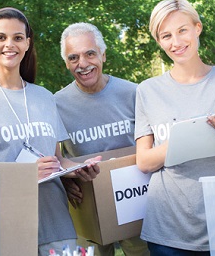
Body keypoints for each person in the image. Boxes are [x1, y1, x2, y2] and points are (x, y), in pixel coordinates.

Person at [0, 7, 101, 255]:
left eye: (17, 38)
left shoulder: (44, 97)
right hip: (6, 228)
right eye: (1, 37)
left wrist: (80, 169)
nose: (9, 44)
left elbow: (57, 159)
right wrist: (24, 174)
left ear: (27, 43)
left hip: (56, 224)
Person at [135, 0, 215, 254]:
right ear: (159, 41)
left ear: (197, 28)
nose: (176, 42)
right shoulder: (147, 90)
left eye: (182, 30)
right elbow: (144, 161)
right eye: (166, 35)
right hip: (166, 230)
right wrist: (186, 137)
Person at [54, 22, 149, 256]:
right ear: (66, 63)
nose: (83, 64)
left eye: (90, 54)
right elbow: (55, 157)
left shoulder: (133, 93)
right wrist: (65, 181)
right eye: (73, 57)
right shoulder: (55, 104)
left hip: (134, 200)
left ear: (103, 55)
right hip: (86, 203)